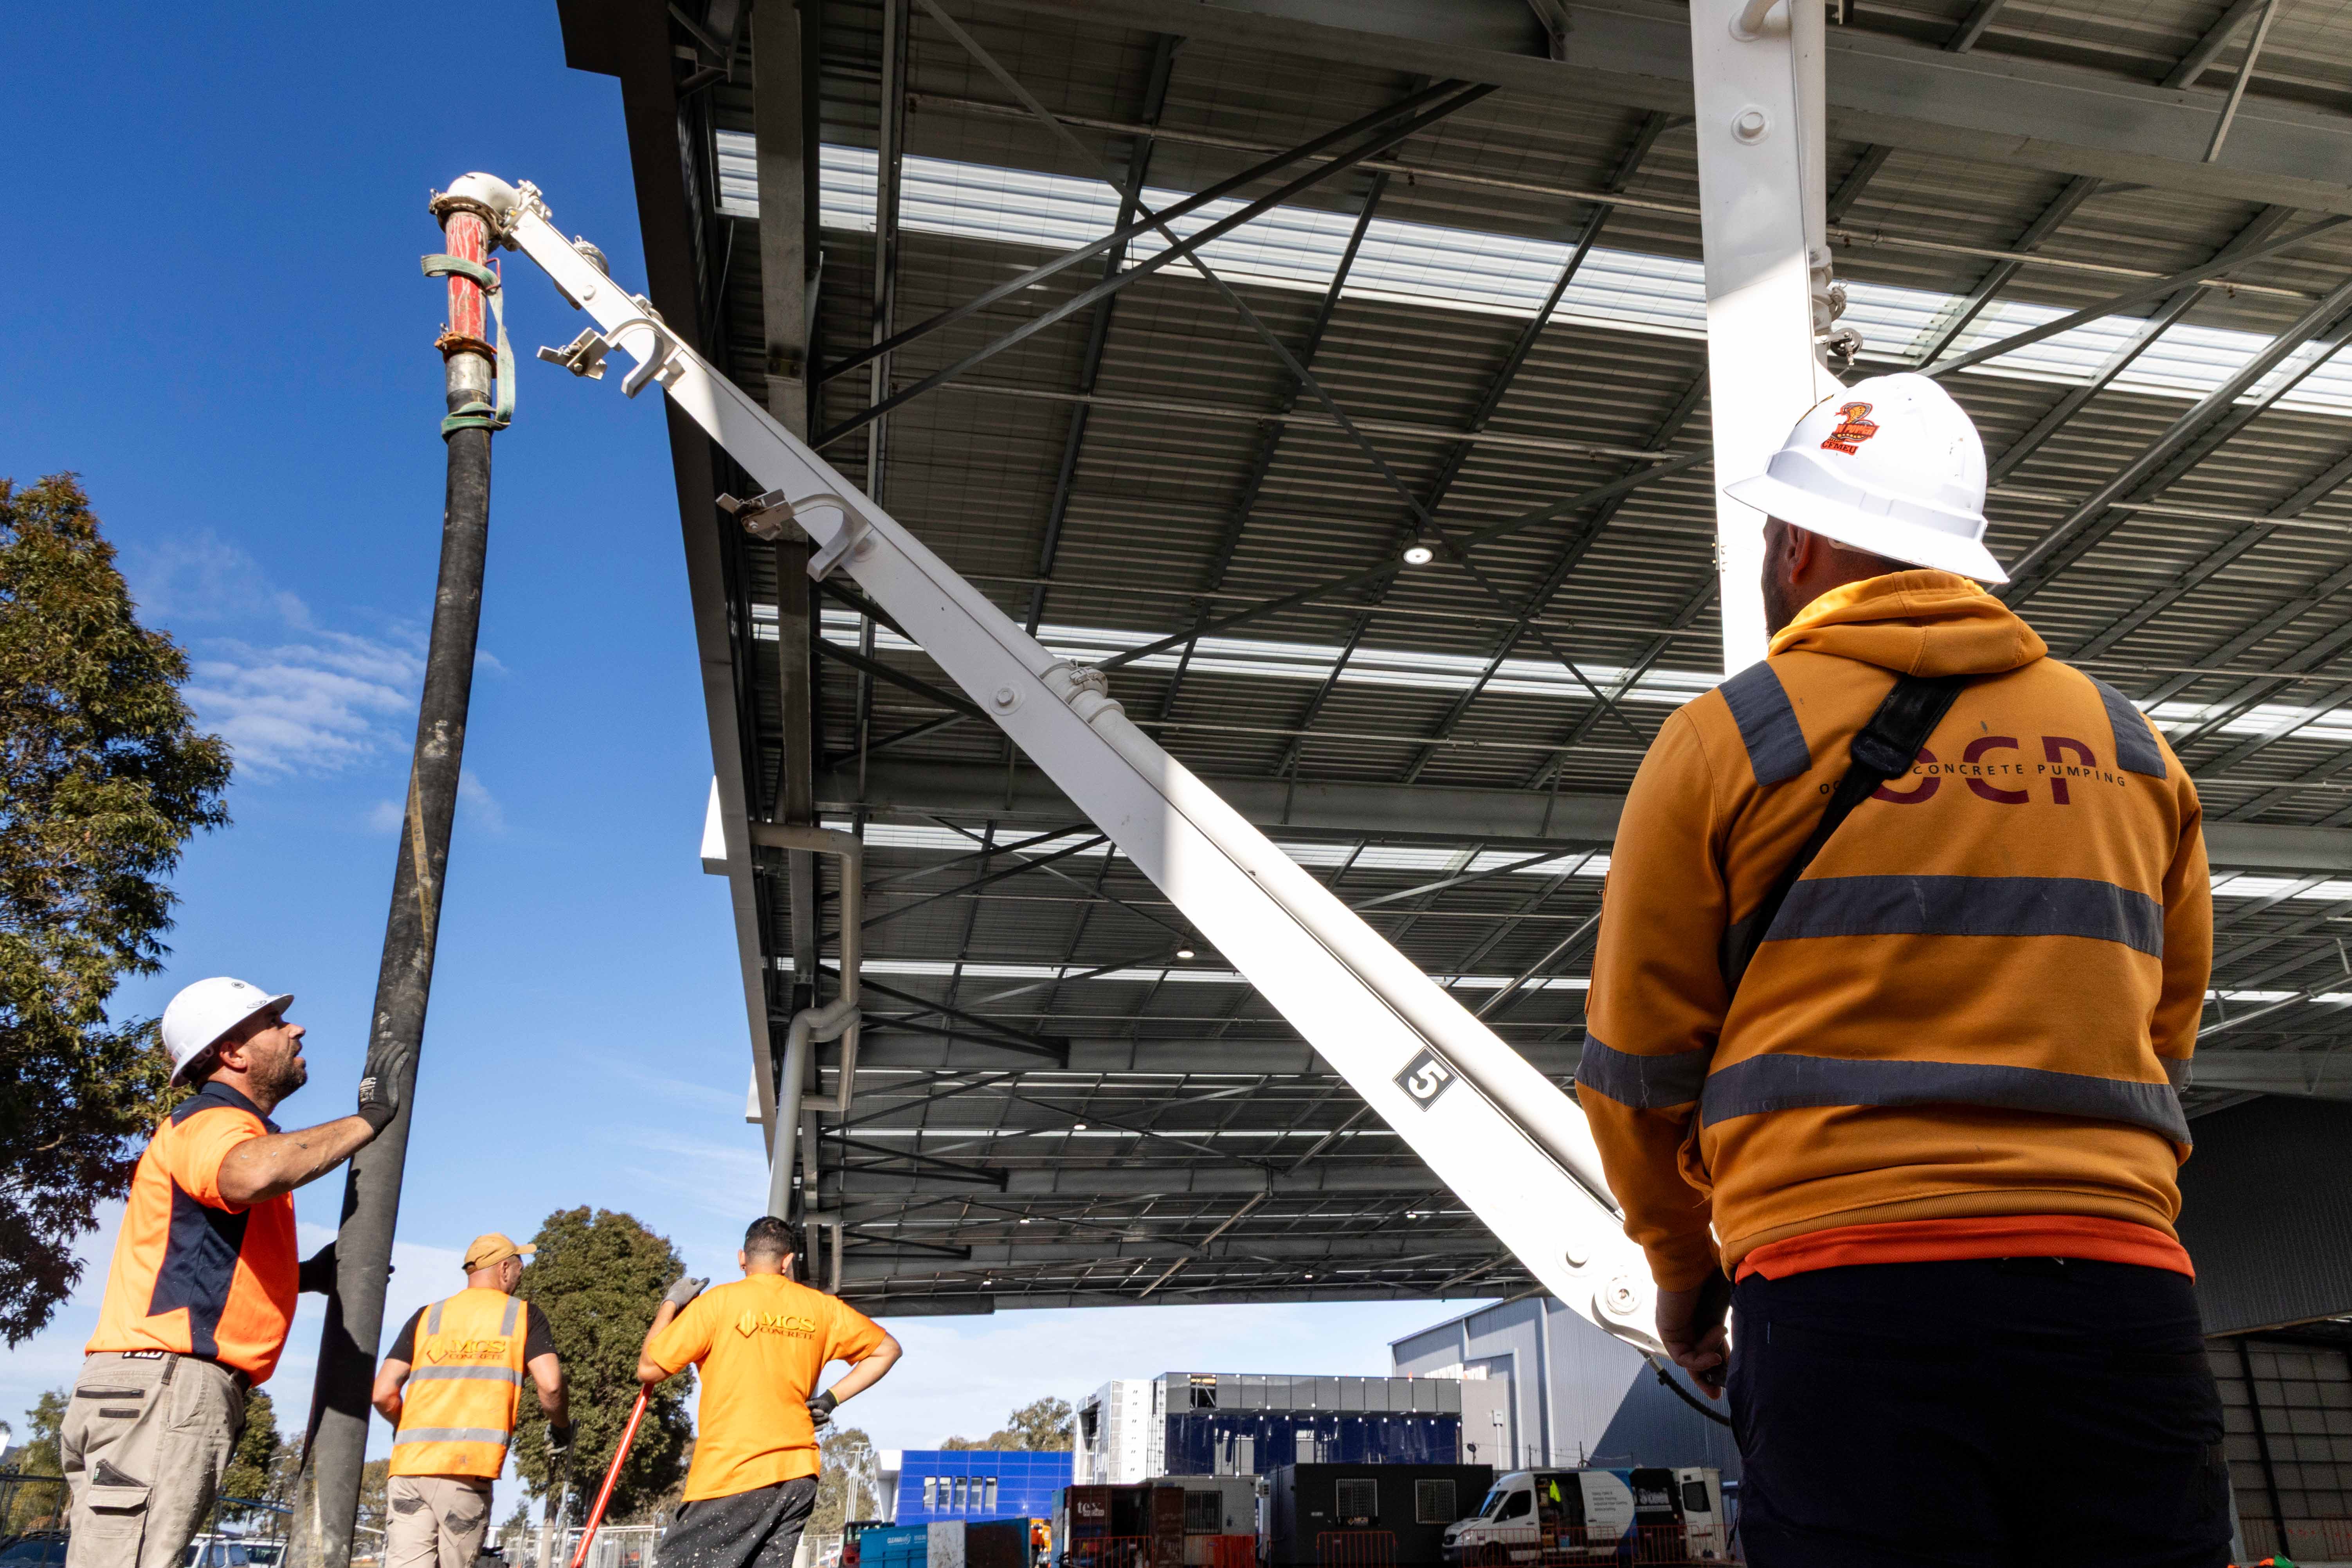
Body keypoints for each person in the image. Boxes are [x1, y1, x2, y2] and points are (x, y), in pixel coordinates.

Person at [1579, 373, 2226, 1566]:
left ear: (1801, 540)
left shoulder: (1725, 738)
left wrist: (1682, 1274)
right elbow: (2159, 1035)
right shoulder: (2132, 749)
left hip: (1844, 1291)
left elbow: (1633, 1066)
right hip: (2115, 1292)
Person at [66, 977, 398, 1568]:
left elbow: (204, 1272)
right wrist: (368, 1120)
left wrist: (304, 1275)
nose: (294, 1028)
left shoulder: (229, 1131)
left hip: (163, 1387)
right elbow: (247, 1174)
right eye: (272, 1021)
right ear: (233, 1053)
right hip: (167, 1386)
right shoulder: (212, 1123)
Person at [637, 1217, 903, 1567]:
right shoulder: (821, 1308)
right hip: (798, 1476)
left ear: (741, 1258)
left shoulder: (717, 1304)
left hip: (733, 1472)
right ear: (788, 1261)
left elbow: (649, 1368)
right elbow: (887, 1349)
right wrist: (830, 1399)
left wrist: (671, 1303)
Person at [371, 1233, 570, 1568]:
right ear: (505, 1268)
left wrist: (403, 1426)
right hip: (464, 1472)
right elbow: (551, 1386)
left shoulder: (427, 1316)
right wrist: (561, 1428)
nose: (522, 1275)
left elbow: (382, 1393)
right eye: (520, 1267)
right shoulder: (524, 1316)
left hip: (408, 1470)